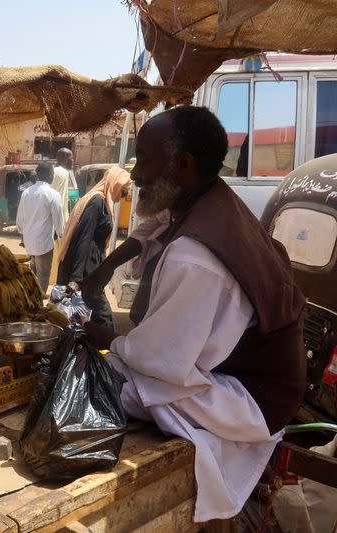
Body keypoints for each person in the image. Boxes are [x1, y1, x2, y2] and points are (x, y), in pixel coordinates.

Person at [83, 106, 305, 522]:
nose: (136, 174)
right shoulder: (206, 200)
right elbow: (148, 237)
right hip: (255, 377)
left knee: (116, 385)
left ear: (181, 165)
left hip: (254, 400)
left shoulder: (195, 256)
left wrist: (108, 340)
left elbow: (163, 361)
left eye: (144, 159)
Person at [55, 166, 131, 327]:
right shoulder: (97, 202)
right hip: (86, 271)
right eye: (123, 191)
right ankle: (106, 347)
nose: (123, 197)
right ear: (114, 185)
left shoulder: (102, 202)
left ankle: (93, 348)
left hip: (93, 268)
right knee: (102, 317)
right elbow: (83, 237)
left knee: (88, 318)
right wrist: (76, 279)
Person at [16, 163, 64, 292]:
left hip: (29, 242)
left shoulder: (26, 192)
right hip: (44, 244)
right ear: (50, 175)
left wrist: (22, 233)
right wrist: (62, 234)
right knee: (42, 276)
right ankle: (39, 306)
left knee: (33, 273)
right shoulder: (53, 194)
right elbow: (59, 220)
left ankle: (32, 301)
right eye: (53, 174)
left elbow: (20, 218)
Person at [52, 148, 78, 222]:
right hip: (58, 214)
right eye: (71, 158)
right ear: (65, 158)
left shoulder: (67, 172)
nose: (73, 161)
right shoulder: (60, 172)